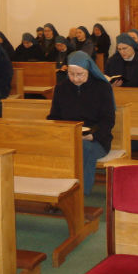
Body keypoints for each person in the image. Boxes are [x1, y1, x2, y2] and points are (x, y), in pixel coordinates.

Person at [47, 51, 115, 196]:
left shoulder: (102, 88)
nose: (75, 78)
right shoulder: (61, 88)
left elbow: (108, 120)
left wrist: (93, 135)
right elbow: (54, 117)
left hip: (96, 140)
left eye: (80, 74)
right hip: (68, 137)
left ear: (88, 70)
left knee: (83, 148)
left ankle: (79, 194)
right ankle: (54, 192)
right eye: (71, 74)